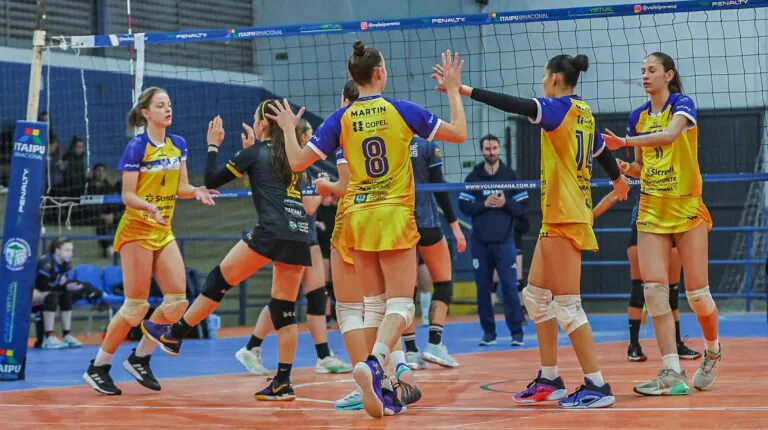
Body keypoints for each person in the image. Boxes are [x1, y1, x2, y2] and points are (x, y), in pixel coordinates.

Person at [270, 43, 467, 418]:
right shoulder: (401, 109)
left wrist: (288, 129)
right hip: (392, 214)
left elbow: (295, 162)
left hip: (356, 217)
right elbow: (458, 132)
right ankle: (376, 362)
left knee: (371, 305)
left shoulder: (340, 118)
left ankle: (380, 386)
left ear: (353, 77)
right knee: (402, 304)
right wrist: (454, 91)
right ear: (379, 73)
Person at [438, 53, 630, 408]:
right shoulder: (584, 112)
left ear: (555, 78)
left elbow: (514, 103)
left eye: (544, 76)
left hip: (567, 216)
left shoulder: (558, 109)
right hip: (559, 214)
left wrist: (461, 89)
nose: (542, 82)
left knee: (568, 306)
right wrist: (618, 179)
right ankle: (550, 378)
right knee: (536, 297)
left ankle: (598, 385)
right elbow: (602, 151)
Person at [143, 100, 313, 401]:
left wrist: (213, 145)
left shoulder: (255, 152)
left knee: (218, 281)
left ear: (262, 124)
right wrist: (250, 153)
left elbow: (211, 181)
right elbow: (272, 175)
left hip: (270, 233)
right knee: (284, 310)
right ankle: (283, 382)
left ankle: (175, 335)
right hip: (299, 234)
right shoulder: (295, 156)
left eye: (255, 118)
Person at [82, 87, 218, 396]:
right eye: (160, 105)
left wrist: (196, 190)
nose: (168, 109)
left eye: (169, 104)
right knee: (135, 307)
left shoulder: (178, 144)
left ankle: (140, 358)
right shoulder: (137, 147)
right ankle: (98, 366)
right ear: (146, 113)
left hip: (163, 230)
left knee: (177, 303)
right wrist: (150, 207)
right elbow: (127, 195)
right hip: (137, 230)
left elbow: (181, 187)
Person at [601, 52, 722, 395]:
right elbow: (642, 167)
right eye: (642, 70)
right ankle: (671, 371)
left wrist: (624, 142)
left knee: (697, 295)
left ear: (668, 75)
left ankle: (713, 349)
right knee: (654, 292)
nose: (645, 75)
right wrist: (625, 167)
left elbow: (668, 137)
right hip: (651, 209)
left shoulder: (682, 104)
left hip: (686, 207)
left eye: (651, 70)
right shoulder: (636, 117)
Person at [234, 118, 353, 376]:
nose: (312, 140)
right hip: (292, 237)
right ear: (299, 137)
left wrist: (323, 188)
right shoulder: (291, 164)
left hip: (308, 237)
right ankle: (251, 347)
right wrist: (323, 189)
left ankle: (323, 356)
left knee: (317, 298)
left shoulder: (304, 166)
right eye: (308, 136)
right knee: (282, 301)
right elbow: (309, 207)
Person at [593, 189, 701, 362]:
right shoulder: (643, 177)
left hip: (672, 226)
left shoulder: (678, 178)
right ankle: (633, 345)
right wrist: (588, 218)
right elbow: (616, 191)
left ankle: (676, 343)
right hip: (644, 228)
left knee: (672, 292)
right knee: (639, 289)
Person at [401, 135, 466, 370]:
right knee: (444, 282)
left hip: (398, 225)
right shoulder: (426, 145)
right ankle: (435, 344)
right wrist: (456, 228)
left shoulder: (389, 142)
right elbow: (439, 187)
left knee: (404, 292)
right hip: (427, 222)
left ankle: (410, 352)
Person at [459, 133, 528, 346]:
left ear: (499, 149)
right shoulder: (474, 177)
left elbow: (522, 206)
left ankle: (517, 333)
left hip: (505, 242)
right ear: (482, 151)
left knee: (510, 288)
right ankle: (489, 334)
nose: (492, 152)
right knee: (483, 289)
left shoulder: (511, 176)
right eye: (488, 149)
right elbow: (464, 206)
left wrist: (505, 203)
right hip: (480, 243)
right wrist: (485, 204)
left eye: (494, 148)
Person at [33, 237, 82, 349]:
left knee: (66, 295)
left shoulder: (65, 263)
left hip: (47, 291)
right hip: (33, 293)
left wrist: (67, 285)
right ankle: (49, 337)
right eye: (67, 250)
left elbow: (60, 284)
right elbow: (41, 286)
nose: (70, 253)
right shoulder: (46, 262)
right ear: (57, 250)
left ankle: (66, 334)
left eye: (71, 250)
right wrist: (60, 283)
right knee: (52, 296)